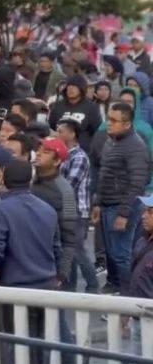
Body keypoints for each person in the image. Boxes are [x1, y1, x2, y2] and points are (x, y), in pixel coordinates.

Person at [0, 160, 60, 305]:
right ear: (30, 180)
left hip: (15, 293)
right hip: (47, 288)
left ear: (3, 179)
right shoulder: (48, 210)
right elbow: (57, 249)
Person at [92, 102, 151, 294]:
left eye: (115, 121)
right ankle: (120, 292)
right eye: (109, 119)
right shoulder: (112, 140)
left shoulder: (135, 146)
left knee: (121, 255)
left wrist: (124, 213)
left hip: (123, 206)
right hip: (109, 204)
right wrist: (98, 203)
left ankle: (128, 301)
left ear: (127, 124)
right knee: (114, 254)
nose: (109, 123)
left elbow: (137, 182)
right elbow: (105, 174)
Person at [56, 120, 99, 293]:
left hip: (77, 212)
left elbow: (69, 184)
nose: (57, 134)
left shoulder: (79, 157)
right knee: (69, 251)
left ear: (72, 134)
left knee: (78, 251)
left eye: (61, 131)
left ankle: (93, 285)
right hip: (65, 210)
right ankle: (69, 286)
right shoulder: (64, 156)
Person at [31, 138, 79, 290]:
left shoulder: (65, 192)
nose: (38, 154)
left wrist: (63, 274)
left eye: (45, 152)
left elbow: (70, 238)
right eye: (38, 150)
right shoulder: (31, 182)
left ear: (57, 161)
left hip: (52, 266)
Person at [125, 195, 153, 364]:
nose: (144, 216)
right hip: (139, 314)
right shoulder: (143, 241)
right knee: (136, 362)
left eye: (150, 212)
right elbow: (132, 276)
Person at [47, 75, 102, 152]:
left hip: (82, 149)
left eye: (74, 86)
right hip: (59, 149)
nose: (71, 89)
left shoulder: (91, 107)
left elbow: (96, 131)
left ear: (81, 88)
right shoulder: (58, 106)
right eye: (69, 86)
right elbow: (51, 126)